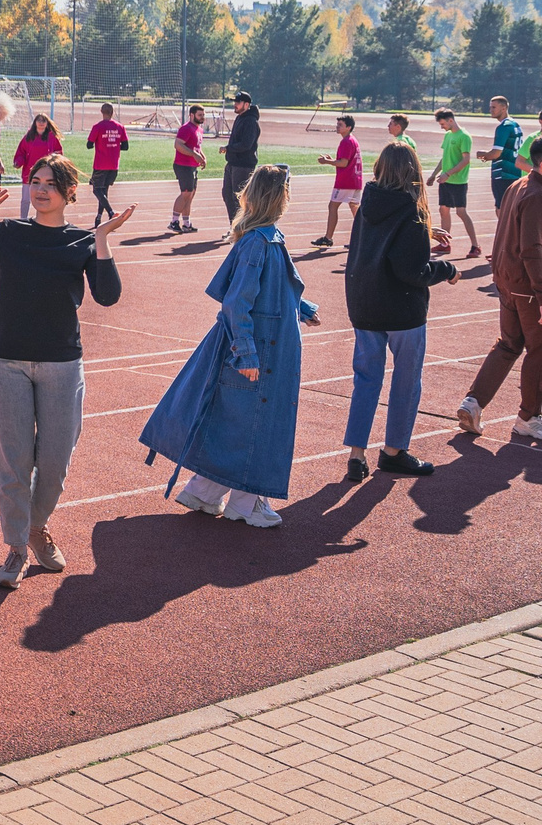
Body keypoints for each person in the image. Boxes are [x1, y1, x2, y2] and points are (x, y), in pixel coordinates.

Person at [0, 154, 125, 588]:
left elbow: (108, 297)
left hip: (61, 364)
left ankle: (36, 526)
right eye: (35, 181)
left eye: (51, 184)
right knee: (14, 463)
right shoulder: (7, 232)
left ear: (70, 192)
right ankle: (18, 546)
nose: (40, 189)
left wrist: (102, 242)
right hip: (4, 361)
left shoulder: (81, 241)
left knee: (54, 463)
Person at [140, 165, 321, 527]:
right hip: (261, 351)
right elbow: (238, 302)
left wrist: (302, 308)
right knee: (258, 422)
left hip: (264, 346)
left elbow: (273, 291)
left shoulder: (267, 237)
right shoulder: (259, 242)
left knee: (235, 418)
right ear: (279, 197)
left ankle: (203, 491)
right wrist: (247, 353)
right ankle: (247, 503)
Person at [343, 142, 457, 481]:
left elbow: (383, 241)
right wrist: (447, 269)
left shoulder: (368, 202)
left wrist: (425, 233)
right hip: (402, 309)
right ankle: (394, 451)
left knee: (366, 380)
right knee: (406, 381)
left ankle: (356, 454)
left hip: (364, 302)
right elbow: (413, 271)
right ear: (413, 172)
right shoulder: (412, 210)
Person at [460, 137, 542, 443]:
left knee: (509, 344)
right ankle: (528, 417)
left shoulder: (517, 186)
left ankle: (473, 402)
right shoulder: (536, 194)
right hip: (528, 287)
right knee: (539, 349)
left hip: (507, 281)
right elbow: (532, 248)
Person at [429, 109, 479, 259]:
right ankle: (445, 244)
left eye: (443, 123)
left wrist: (448, 173)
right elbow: (444, 158)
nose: (442, 127)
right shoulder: (448, 135)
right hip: (445, 180)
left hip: (458, 181)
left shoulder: (464, 136)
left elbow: (466, 160)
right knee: (443, 210)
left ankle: (475, 246)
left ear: (451, 120)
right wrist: (434, 175)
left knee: (461, 212)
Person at [315, 114, 363, 249]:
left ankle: (328, 238)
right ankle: (362, 238)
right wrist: (332, 159)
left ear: (348, 127)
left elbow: (343, 163)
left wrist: (327, 162)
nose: (337, 127)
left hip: (345, 181)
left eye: (340, 125)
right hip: (355, 180)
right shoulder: (353, 140)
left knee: (333, 206)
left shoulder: (346, 141)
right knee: (356, 210)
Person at [477, 95, 526, 213]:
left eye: (494, 107)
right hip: (515, 172)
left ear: (503, 108)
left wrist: (484, 155)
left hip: (503, 174)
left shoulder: (503, 127)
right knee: (512, 208)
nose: (491, 110)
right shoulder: (515, 125)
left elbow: (496, 153)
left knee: (501, 209)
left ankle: (505, 232)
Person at [84, 103, 129, 227]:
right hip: (114, 164)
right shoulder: (120, 127)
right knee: (104, 191)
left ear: (101, 112)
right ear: (112, 112)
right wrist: (114, 146)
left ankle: (110, 212)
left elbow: (89, 145)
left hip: (100, 164)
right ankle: (98, 217)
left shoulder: (97, 127)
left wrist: (101, 144)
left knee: (97, 190)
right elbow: (125, 146)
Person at [219, 91, 262, 222]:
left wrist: (228, 148)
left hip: (243, 166)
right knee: (227, 194)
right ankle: (234, 227)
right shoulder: (240, 118)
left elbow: (246, 144)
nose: (235, 105)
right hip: (233, 163)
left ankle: (241, 227)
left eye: (238, 102)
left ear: (246, 104)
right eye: (235, 102)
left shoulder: (250, 121)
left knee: (239, 198)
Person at [12, 112, 61, 220]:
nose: (41, 123)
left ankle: (45, 219)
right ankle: (23, 219)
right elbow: (21, 152)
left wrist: (56, 162)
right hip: (29, 173)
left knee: (46, 197)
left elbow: (59, 152)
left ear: (47, 123)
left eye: (44, 120)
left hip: (47, 173)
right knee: (25, 199)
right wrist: (18, 162)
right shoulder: (29, 137)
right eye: (39, 120)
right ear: (35, 123)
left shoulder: (52, 137)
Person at [169, 104, 207, 234]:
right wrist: (193, 154)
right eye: (199, 115)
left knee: (191, 194)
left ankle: (186, 223)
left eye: (203, 115)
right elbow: (178, 145)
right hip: (183, 165)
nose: (202, 117)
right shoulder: (186, 128)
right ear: (192, 115)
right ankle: (174, 221)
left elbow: (197, 146)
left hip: (192, 166)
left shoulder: (199, 129)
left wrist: (202, 157)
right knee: (186, 193)